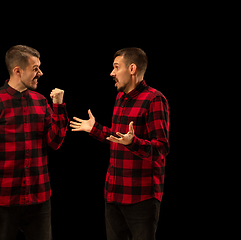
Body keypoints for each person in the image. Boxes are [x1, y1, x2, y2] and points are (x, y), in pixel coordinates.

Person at [0, 45, 68, 240]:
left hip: (39, 198)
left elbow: (55, 142)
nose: (40, 73)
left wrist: (58, 106)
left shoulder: (41, 101)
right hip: (1, 200)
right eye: (35, 68)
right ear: (17, 71)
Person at [70, 47, 170, 240]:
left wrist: (134, 142)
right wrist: (95, 128)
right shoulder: (120, 98)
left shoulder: (154, 99)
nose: (112, 73)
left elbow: (161, 148)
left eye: (116, 67)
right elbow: (119, 137)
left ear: (132, 68)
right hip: (114, 193)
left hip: (140, 197)